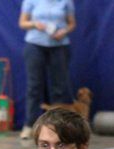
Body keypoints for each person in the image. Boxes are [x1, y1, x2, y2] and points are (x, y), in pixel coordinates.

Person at [19, 0, 76, 139]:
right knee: (34, 86)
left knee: (59, 87)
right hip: (35, 44)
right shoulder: (30, 1)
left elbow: (72, 23)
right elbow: (22, 23)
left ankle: (59, 127)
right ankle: (29, 125)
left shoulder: (66, 2)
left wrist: (64, 31)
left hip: (59, 45)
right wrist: (34, 24)